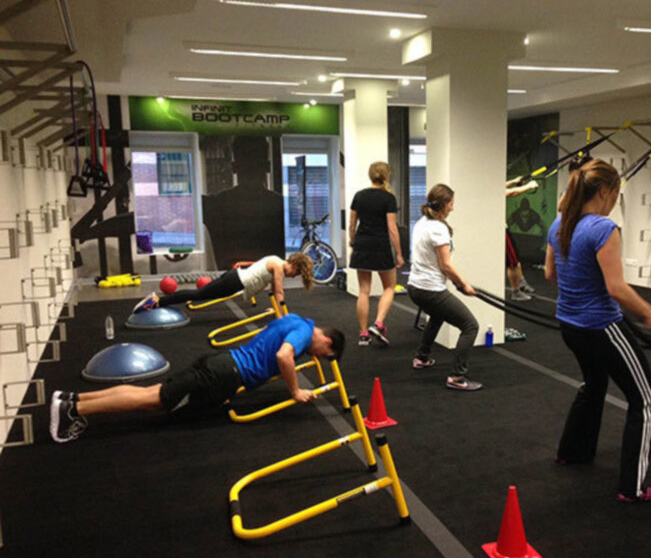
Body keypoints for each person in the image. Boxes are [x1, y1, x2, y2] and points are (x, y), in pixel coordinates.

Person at [544, 158, 651, 503]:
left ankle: (572, 452)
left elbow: (550, 275)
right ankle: (634, 488)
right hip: (601, 326)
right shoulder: (603, 228)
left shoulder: (559, 224)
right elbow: (616, 288)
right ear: (604, 191)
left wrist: (579, 283)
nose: (615, 200)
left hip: (569, 325)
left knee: (594, 384)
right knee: (644, 401)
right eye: (616, 193)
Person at [50, 314, 345, 443]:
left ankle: (73, 400)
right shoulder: (305, 334)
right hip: (223, 374)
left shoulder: (295, 319)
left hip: (222, 364)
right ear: (328, 343)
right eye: (323, 355)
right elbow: (283, 356)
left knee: (151, 394)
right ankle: (74, 410)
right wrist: (295, 391)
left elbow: (266, 346)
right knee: (149, 400)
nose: (316, 357)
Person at [407, 184, 481, 392]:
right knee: (470, 326)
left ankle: (421, 358)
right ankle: (457, 376)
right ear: (443, 205)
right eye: (451, 204)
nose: (453, 208)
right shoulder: (438, 228)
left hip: (415, 287)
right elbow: (446, 265)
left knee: (437, 316)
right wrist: (463, 285)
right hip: (429, 289)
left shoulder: (422, 222)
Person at [132, 253, 314, 314]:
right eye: (296, 273)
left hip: (233, 277)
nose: (293, 276)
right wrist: (282, 317)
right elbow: (280, 292)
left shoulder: (276, 261)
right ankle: (156, 300)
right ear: (295, 265)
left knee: (199, 294)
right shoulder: (279, 266)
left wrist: (276, 310)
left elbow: (275, 290)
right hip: (233, 281)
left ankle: (158, 300)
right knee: (197, 295)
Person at [348, 161, 404, 346]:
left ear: (370, 175)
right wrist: (399, 254)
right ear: (386, 176)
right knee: (389, 287)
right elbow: (392, 229)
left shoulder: (359, 196)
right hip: (380, 245)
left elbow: (351, 224)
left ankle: (363, 334)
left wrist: (353, 241)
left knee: (364, 290)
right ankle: (378, 323)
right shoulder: (389, 198)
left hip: (362, 244)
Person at [505, 177, 539, 301]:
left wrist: (514, 181)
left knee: (515, 259)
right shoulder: (488, 188)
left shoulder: (490, 185)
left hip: (503, 228)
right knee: (512, 263)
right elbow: (511, 193)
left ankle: (521, 282)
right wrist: (528, 187)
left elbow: (501, 185)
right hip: (499, 230)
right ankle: (516, 291)